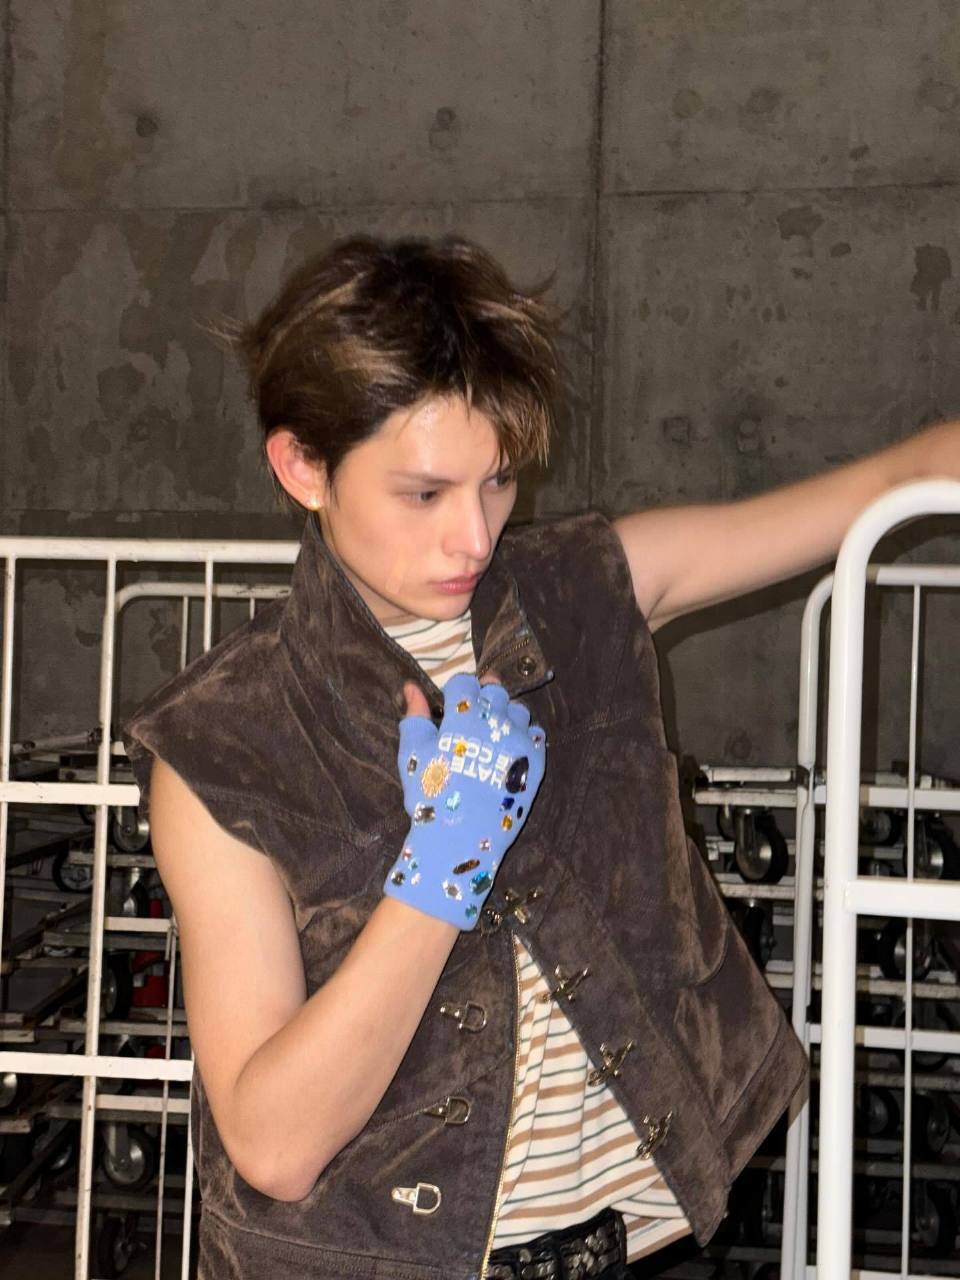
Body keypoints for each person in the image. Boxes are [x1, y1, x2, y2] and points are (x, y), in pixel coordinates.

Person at [123, 234, 959, 1280]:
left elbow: (899, 478)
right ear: (303, 467)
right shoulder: (221, 741)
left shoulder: (587, 587)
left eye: (499, 481)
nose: (474, 538)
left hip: (643, 1242)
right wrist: (445, 862)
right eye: (423, 493)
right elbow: (276, 1145)